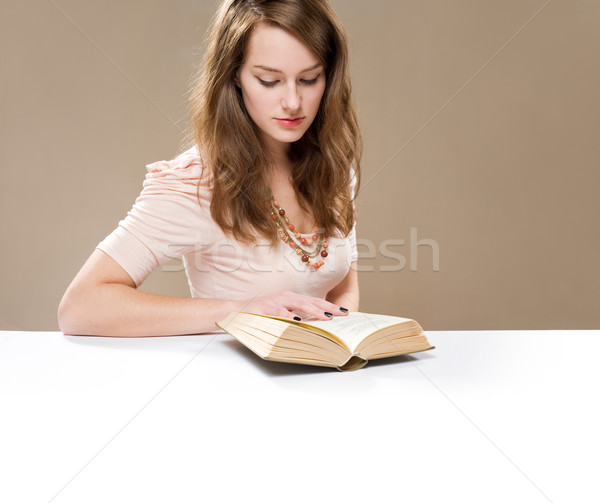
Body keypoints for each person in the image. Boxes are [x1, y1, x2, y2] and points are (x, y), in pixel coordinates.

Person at [58, 0, 362, 337]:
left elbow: (339, 285)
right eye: (268, 81)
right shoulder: (196, 181)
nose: (292, 102)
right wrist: (239, 311)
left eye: (309, 79)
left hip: (319, 382)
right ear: (235, 76)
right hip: (228, 383)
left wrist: (341, 333)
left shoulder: (334, 165)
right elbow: (80, 306)